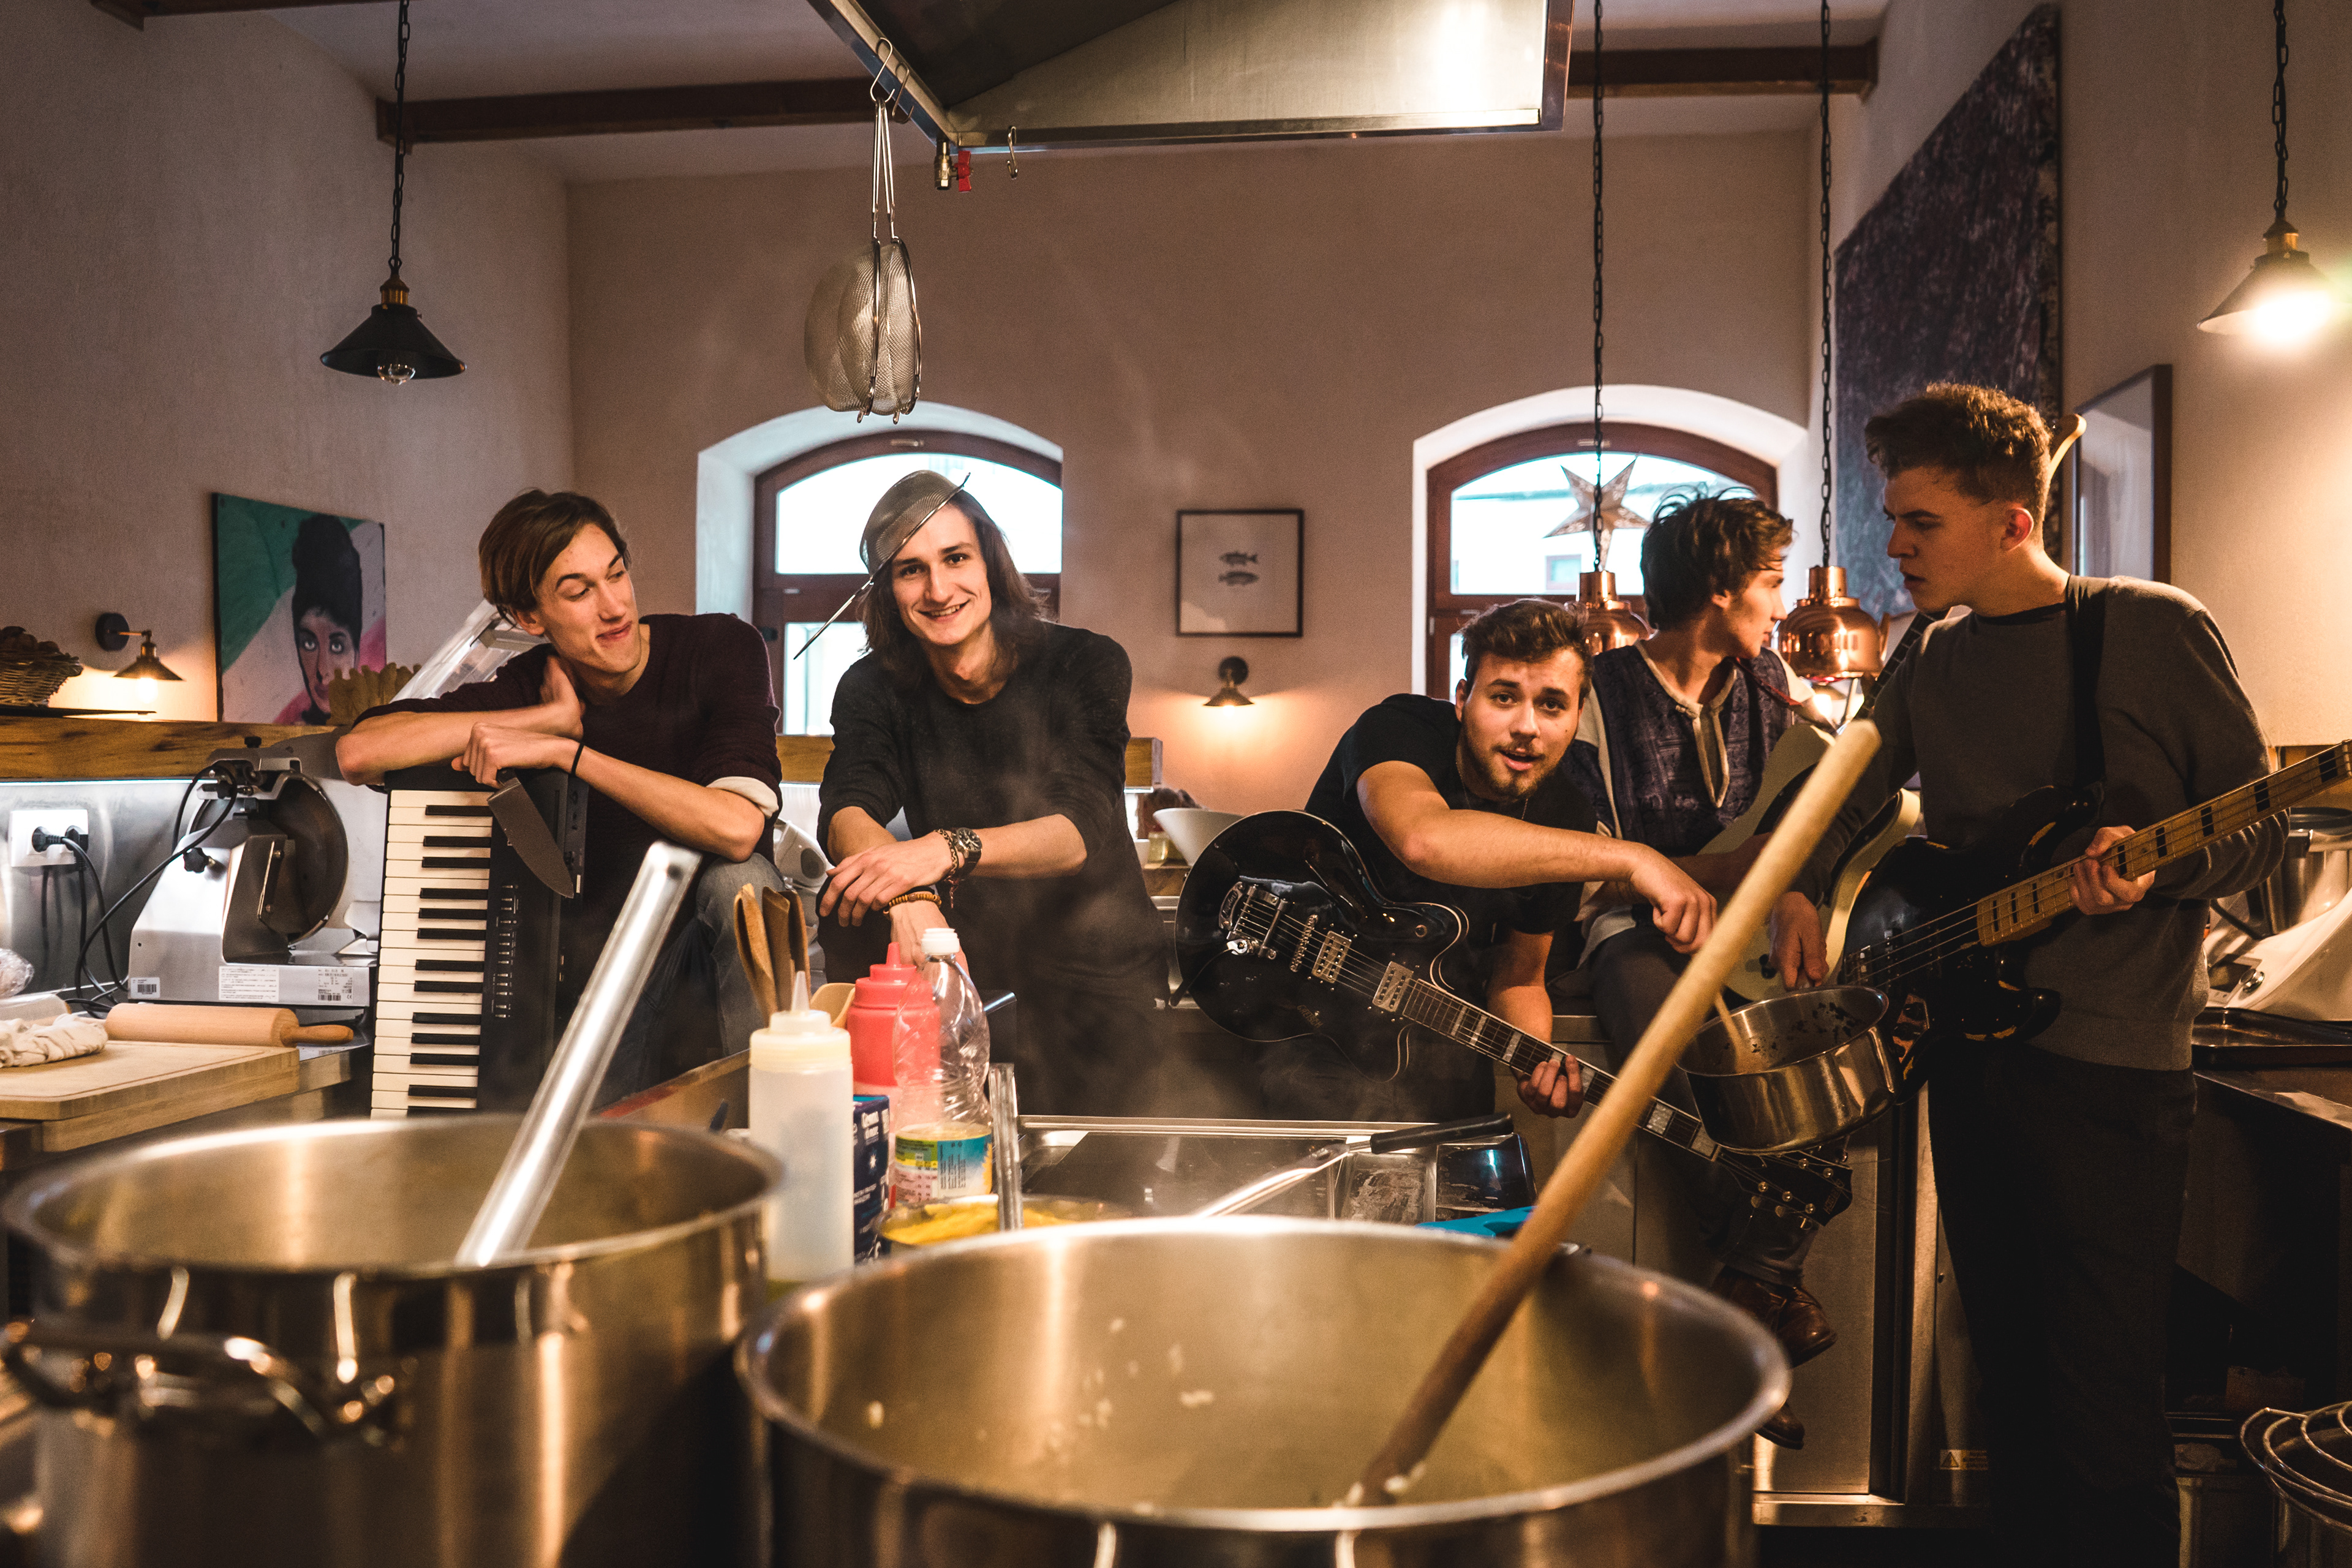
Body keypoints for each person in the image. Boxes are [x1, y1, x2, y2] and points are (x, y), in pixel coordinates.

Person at [1771, 384, 2282, 1565]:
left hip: (2112, 1073)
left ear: (2012, 521)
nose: (1896, 548)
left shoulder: (2149, 630)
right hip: (1971, 1057)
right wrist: (1801, 881)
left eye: (1922, 523)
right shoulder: (1932, 656)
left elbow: (2259, 830)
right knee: (2009, 1383)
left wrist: (2157, 868)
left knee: (2105, 1404)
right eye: (1894, 520)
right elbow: (1847, 790)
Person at [337, 489, 787, 1101]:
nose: (614, 607)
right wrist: (549, 720)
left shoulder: (720, 648)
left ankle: (774, 1127)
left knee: (742, 881)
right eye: (579, 592)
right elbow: (360, 752)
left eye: (617, 574)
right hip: (599, 992)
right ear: (530, 617)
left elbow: (738, 830)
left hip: (704, 974)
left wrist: (570, 754)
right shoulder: (535, 687)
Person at [1562, 492, 1836, 1447]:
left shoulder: (1772, 687)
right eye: (1771, 583)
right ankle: (1767, 1275)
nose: (1781, 605)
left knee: (1825, 1054)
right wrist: (1734, 872)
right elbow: (1590, 858)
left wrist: (1796, 887)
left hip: (1749, 941)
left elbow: (1817, 811)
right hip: (1625, 931)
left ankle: (1750, 1289)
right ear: (1720, 590)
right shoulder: (1596, 691)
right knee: (1663, 1050)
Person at [1262, 597, 1717, 1123]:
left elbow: (1520, 978)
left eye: (1552, 705)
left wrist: (1534, 1060)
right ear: (1463, 700)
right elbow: (1424, 840)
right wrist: (1635, 858)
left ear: (1577, 717)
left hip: (1439, 1046)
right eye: (1504, 698)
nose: (1527, 726)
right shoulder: (1399, 729)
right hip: (1303, 1023)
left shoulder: (1566, 815)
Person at [816, 472, 1164, 1117]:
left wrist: (941, 850)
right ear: (888, 592)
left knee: (1092, 1170)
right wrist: (910, 895)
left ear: (991, 565)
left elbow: (1078, 829)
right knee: (948, 1165)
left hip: (1096, 974)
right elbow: (847, 809)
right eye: (911, 570)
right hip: (965, 968)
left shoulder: (1085, 663)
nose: (938, 590)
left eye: (955, 558)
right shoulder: (873, 687)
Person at [281, 514, 364, 725]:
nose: (322, 671)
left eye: (337, 646)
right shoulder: (291, 731)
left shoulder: (376, 731)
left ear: (356, 652)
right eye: (309, 644)